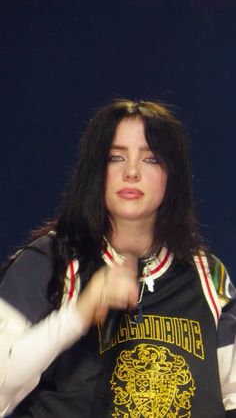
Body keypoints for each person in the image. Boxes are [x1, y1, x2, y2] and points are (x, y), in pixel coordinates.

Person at [0, 99, 235, 418]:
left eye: (151, 158)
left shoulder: (209, 276)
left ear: (172, 176)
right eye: (116, 157)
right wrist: (77, 317)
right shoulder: (48, 261)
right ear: (95, 171)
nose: (132, 172)